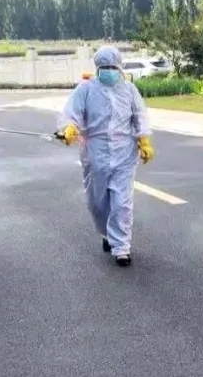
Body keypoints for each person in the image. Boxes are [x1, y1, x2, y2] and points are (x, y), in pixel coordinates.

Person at [59, 46, 154, 267]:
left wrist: (144, 141)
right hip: (95, 152)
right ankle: (106, 234)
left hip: (124, 153)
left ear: (119, 67)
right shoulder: (85, 89)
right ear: (97, 68)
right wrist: (70, 128)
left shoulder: (129, 90)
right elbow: (71, 112)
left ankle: (121, 248)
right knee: (97, 202)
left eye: (112, 66)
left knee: (122, 202)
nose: (109, 71)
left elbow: (139, 116)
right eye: (105, 67)